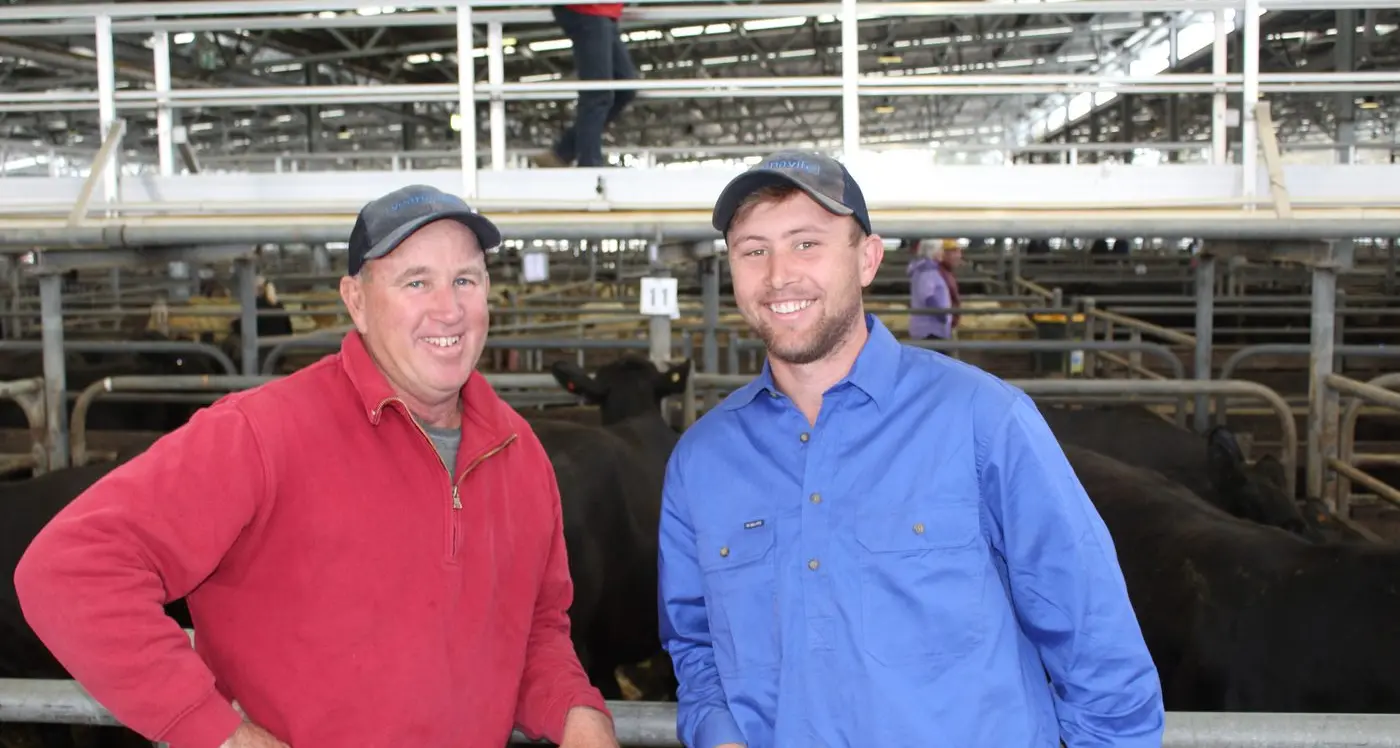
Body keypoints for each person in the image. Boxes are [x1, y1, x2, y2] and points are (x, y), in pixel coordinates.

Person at [13, 184, 619, 748]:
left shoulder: (518, 453)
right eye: (416, 282)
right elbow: (69, 570)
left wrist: (576, 712)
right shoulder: (260, 433)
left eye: (466, 279)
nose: (448, 309)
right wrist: (217, 730)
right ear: (356, 301)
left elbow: (535, 630)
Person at [656, 150, 1165, 748]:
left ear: (867, 259)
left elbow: (1096, 644)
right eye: (753, 250)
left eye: (806, 243)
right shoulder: (701, 460)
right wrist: (720, 735)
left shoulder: (983, 419)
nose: (778, 276)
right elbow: (695, 644)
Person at [534, 3, 638, 168]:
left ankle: (563, 152)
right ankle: (589, 164)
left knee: (624, 88)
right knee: (597, 92)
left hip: (601, 11)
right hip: (588, 9)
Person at [908, 238, 961, 340]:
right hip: (931, 329)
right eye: (940, 249)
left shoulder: (926, 270)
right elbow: (927, 296)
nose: (942, 253)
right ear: (933, 251)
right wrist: (942, 316)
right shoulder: (927, 271)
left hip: (930, 327)